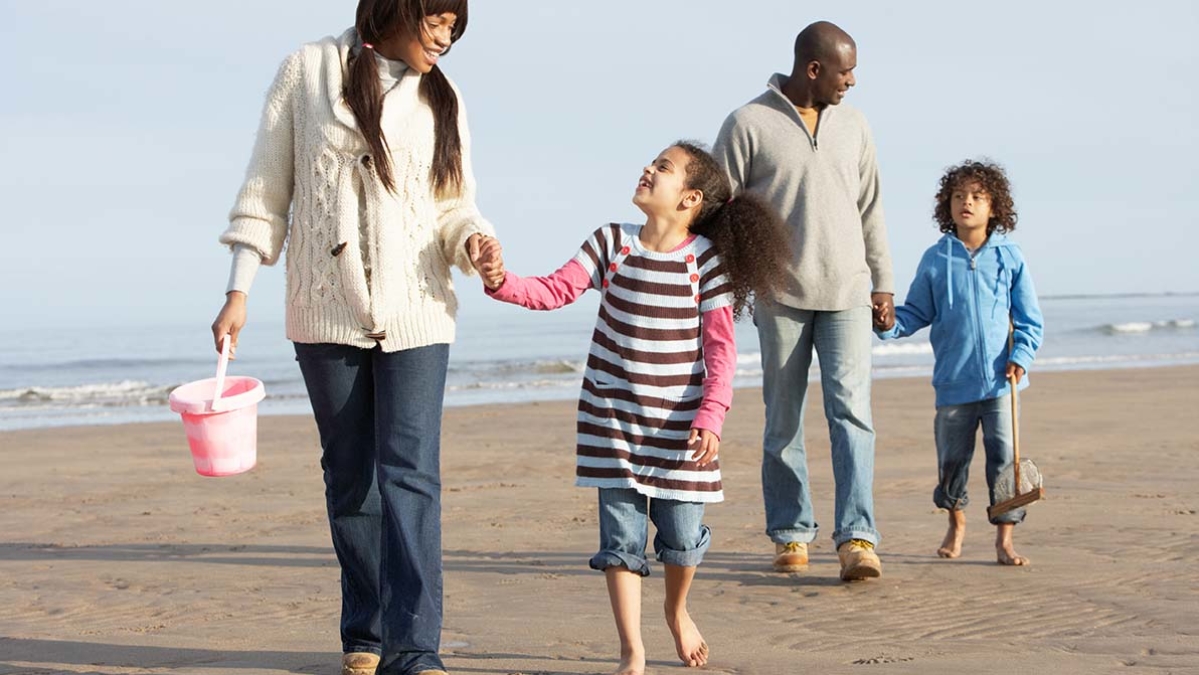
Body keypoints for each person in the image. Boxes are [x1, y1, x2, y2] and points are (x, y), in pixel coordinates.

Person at [209, 2, 493, 674]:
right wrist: (237, 290)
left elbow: (454, 204)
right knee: (350, 479)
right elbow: (264, 189)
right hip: (325, 310)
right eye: (438, 21)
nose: (446, 38)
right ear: (398, 9)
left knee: (411, 476)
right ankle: (365, 631)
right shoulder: (307, 70)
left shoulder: (442, 98)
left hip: (419, 310)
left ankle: (414, 647)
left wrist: (475, 243)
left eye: (455, 27)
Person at [472, 141, 790, 675]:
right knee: (621, 544)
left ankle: (676, 608)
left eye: (663, 167)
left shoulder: (704, 263)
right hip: (612, 423)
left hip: (682, 430)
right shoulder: (610, 243)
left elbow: (721, 349)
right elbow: (554, 289)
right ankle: (631, 651)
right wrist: (499, 280)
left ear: (689, 198)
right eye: (652, 162)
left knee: (682, 540)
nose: (648, 169)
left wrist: (712, 413)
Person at [712, 21, 894, 581]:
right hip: (779, 296)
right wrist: (723, 283)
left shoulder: (856, 126)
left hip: (847, 294)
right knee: (783, 418)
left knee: (852, 414)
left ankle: (857, 538)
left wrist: (882, 282)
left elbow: (871, 208)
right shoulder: (748, 123)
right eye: (846, 71)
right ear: (814, 69)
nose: (853, 81)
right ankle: (791, 534)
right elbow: (719, 210)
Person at [875, 159, 1044, 566]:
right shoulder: (936, 259)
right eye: (958, 196)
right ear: (946, 205)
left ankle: (1004, 540)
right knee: (952, 462)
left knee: (1004, 462)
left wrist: (1020, 356)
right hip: (953, 383)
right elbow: (916, 313)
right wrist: (887, 321)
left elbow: (1029, 319)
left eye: (976, 197)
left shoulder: (1010, 257)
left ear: (993, 207)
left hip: (1001, 385)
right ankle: (956, 521)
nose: (966, 203)